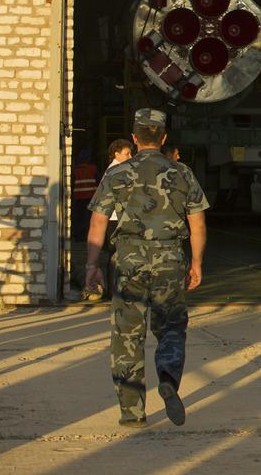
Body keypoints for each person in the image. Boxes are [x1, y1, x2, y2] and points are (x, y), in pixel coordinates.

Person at [85, 108, 208, 428]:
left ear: (135, 138)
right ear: (163, 138)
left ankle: (132, 412)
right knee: (171, 327)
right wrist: (196, 262)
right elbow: (197, 223)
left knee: (127, 335)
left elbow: (98, 222)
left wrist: (91, 265)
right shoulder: (182, 173)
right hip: (170, 260)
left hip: (129, 261)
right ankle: (167, 378)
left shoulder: (117, 173)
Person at [81, 138, 136, 302]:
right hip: (114, 219)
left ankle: (112, 290)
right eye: (127, 153)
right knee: (115, 256)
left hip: (113, 218)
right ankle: (113, 290)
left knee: (114, 255)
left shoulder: (116, 170)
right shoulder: (115, 171)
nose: (130, 157)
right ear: (116, 154)